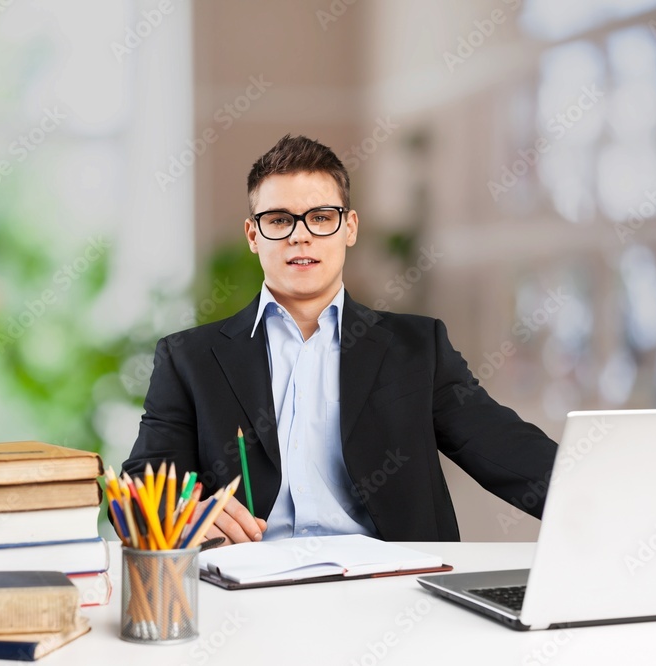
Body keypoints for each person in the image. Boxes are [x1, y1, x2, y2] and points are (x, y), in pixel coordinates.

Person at [122, 134, 557, 544]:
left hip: (394, 589)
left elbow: (508, 452)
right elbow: (143, 485)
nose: (300, 234)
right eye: (278, 220)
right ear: (254, 236)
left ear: (349, 228)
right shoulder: (189, 358)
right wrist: (185, 510)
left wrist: (606, 496)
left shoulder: (418, 348)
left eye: (321, 217)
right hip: (248, 590)